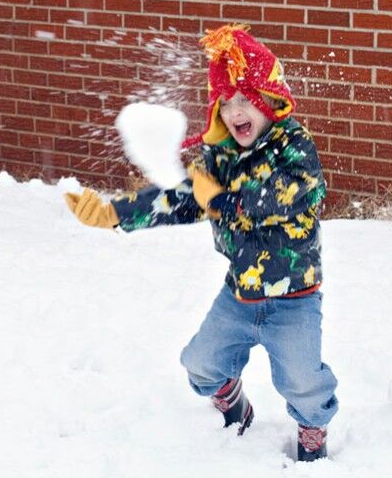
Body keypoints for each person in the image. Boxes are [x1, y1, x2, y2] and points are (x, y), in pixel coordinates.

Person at [64, 24, 338, 462]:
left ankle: (312, 429)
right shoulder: (221, 156)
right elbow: (183, 198)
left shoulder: (294, 146)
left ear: (270, 98)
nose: (236, 111)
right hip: (240, 292)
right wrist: (115, 214)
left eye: (247, 98)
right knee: (201, 363)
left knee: (303, 382)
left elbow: (290, 195)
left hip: (295, 298)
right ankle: (233, 404)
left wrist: (226, 200)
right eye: (226, 103)